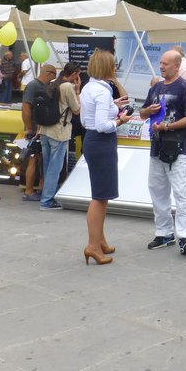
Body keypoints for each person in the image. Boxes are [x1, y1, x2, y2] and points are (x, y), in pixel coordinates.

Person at [140, 50, 186, 255]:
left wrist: (167, 126)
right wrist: (148, 111)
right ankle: (164, 233)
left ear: (177, 65)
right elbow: (142, 113)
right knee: (157, 191)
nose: (161, 66)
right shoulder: (155, 87)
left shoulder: (185, 87)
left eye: (165, 63)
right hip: (157, 148)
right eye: (160, 63)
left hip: (179, 149)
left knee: (182, 193)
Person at [79, 49, 132, 265]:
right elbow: (102, 125)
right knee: (100, 196)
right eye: (113, 65)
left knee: (102, 195)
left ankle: (99, 240)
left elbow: (87, 120)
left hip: (93, 141)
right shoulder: (102, 92)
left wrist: (113, 106)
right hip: (102, 142)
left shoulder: (89, 87)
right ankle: (93, 246)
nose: (115, 68)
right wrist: (120, 120)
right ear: (108, 67)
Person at [37, 61, 82, 211]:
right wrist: (77, 91)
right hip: (59, 132)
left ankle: (46, 195)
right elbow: (76, 110)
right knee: (55, 168)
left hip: (45, 130)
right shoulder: (67, 87)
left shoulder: (52, 84)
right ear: (74, 74)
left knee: (47, 166)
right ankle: (47, 201)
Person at [20, 64, 57, 200]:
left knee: (40, 159)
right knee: (33, 159)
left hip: (42, 130)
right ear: (49, 73)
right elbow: (26, 107)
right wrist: (29, 128)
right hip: (34, 130)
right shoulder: (33, 86)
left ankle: (40, 189)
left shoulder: (46, 87)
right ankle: (29, 191)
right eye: (55, 74)